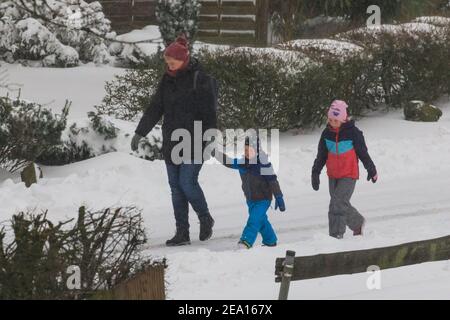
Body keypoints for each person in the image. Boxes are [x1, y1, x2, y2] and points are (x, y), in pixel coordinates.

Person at [131, 35, 217, 246]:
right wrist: (140, 132)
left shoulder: (200, 79)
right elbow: (155, 108)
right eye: (167, 60)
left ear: (184, 59)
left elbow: (210, 114)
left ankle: (205, 217)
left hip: (195, 140)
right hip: (172, 140)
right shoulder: (166, 80)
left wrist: (210, 140)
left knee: (187, 182)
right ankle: (182, 232)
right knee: (176, 187)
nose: (169, 63)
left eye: (173, 60)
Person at [311, 100, 378, 239]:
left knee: (337, 203)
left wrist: (371, 169)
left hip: (349, 174)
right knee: (339, 203)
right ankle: (357, 223)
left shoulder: (353, 133)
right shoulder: (326, 133)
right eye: (330, 119)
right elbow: (321, 155)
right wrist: (315, 172)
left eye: (335, 120)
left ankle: (336, 235)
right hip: (333, 174)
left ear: (343, 119)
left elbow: (363, 153)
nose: (332, 122)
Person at [215, 137, 286, 249]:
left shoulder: (264, 164)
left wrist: (279, 196)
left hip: (263, 199)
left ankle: (246, 241)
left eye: (250, 150)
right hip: (250, 199)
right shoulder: (242, 163)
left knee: (254, 220)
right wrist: (215, 152)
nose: (247, 152)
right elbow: (228, 162)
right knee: (261, 220)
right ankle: (270, 240)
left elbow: (273, 181)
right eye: (245, 149)